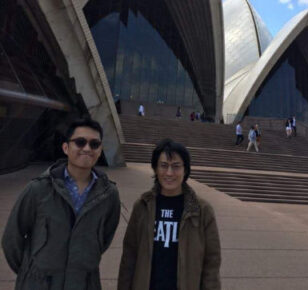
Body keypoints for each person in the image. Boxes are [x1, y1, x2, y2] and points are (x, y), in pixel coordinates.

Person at [2, 117, 121, 289]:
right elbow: (12, 238)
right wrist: (31, 272)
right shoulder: (38, 189)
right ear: (66, 147)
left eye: (94, 144)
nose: (87, 148)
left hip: (83, 283)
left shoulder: (109, 195)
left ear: (100, 149)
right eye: (80, 142)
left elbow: (104, 238)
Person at [118, 139, 221, 289]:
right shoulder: (142, 206)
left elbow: (211, 262)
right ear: (155, 169)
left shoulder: (202, 210)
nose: (169, 173)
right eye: (164, 166)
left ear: (185, 170)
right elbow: (129, 256)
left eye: (176, 166)